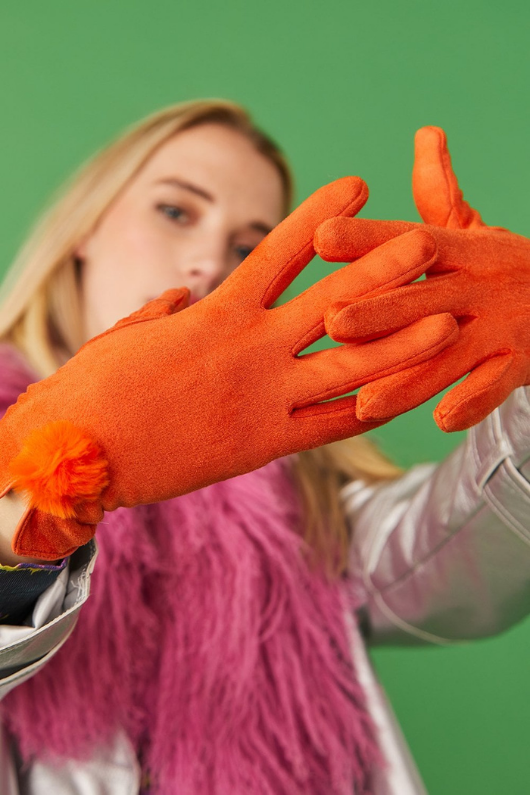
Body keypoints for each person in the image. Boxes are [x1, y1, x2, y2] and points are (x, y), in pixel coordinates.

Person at [0, 99, 527, 795]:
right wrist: (48, 473)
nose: (207, 261)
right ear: (86, 227)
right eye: (176, 211)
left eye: (250, 246)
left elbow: (467, 563)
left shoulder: (305, 503)